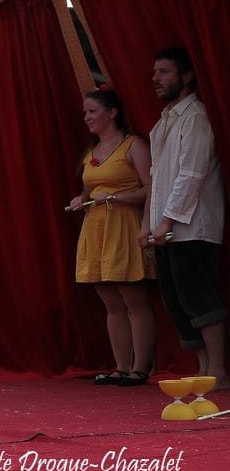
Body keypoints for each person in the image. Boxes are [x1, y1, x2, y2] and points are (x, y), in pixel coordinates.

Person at [139, 47, 227, 389]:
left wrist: (167, 221)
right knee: (178, 300)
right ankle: (205, 368)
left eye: (164, 72)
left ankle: (218, 370)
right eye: (155, 72)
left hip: (194, 226)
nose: (155, 79)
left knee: (200, 296)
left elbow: (191, 175)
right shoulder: (165, 120)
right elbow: (157, 177)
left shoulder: (195, 118)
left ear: (186, 75)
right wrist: (150, 223)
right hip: (168, 229)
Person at [68, 88, 155, 386]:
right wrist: (82, 198)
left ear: (112, 112)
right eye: (85, 113)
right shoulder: (90, 152)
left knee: (133, 299)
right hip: (96, 230)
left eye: (92, 111)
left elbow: (151, 188)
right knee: (111, 303)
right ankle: (121, 367)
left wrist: (117, 197)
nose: (87, 118)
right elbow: (89, 189)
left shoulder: (133, 145)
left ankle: (140, 368)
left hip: (124, 227)